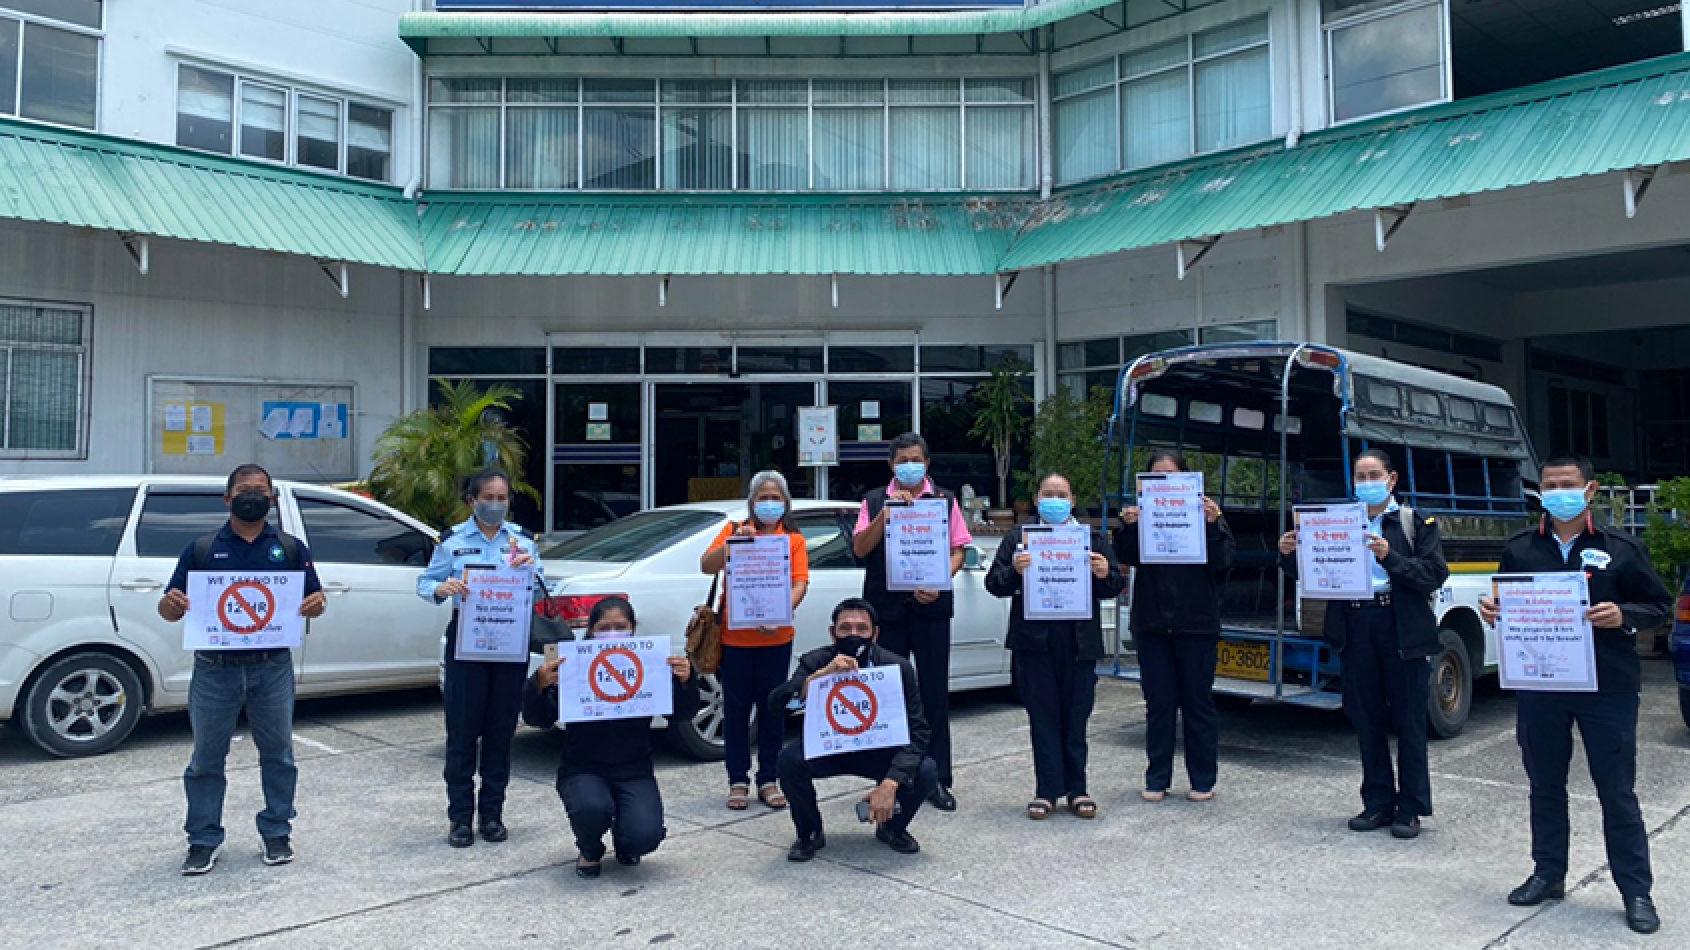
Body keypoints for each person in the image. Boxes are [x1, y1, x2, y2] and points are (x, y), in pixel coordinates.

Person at [1479, 455, 1669, 935]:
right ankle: (1548, 873)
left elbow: (1659, 605)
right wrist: (1494, 610)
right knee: (1544, 785)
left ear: (1589, 490)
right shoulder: (1521, 548)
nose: (1557, 490)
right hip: (1542, 685)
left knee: (1616, 791)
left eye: (1568, 484)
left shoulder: (1621, 547)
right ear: (1539, 491)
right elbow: (1507, 600)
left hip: (1608, 687)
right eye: (1549, 484)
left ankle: (1636, 890)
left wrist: (1622, 614)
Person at [156, 463, 326, 876]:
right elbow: (168, 609)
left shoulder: (290, 548)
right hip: (215, 669)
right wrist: (171, 606)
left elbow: (314, 598)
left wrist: (317, 605)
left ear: (272, 499)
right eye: (244, 489)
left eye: (260, 490)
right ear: (228, 498)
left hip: (272, 668)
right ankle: (203, 839)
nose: (253, 496)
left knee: (279, 754)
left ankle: (276, 832)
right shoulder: (201, 548)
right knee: (206, 759)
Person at [1278, 448, 1447, 839]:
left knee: (1408, 719)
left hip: (1400, 624)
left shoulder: (1414, 521)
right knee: (1366, 717)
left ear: (1392, 480)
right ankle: (1377, 803)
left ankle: (1410, 808)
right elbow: (1312, 572)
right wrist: (1290, 556)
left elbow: (1435, 573)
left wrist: (1390, 558)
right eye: (1360, 476)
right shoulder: (1335, 522)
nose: (1366, 483)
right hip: (1354, 624)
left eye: (1374, 475)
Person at [521, 597, 696, 879]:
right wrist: (538, 686)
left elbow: (682, 714)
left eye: (620, 626)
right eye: (604, 627)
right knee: (591, 808)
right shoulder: (573, 664)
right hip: (583, 766)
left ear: (633, 629)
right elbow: (537, 719)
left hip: (634, 768)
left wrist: (687, 681)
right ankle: (589, 848)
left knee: (645, 836)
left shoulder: (648, 662)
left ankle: (626, 837)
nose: (612, 632)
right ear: (590, 631)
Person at [416, 470, 544, 849]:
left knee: (501, 731)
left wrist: (530, 572)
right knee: (462, 732)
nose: (496, 504)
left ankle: (492, 815)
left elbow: (539, 592)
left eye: (502, 498)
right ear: (471, 501)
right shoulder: (453, 542)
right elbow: (425, 582)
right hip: (468, 642)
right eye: (488, 497)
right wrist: (442, 587)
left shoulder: (522, 541)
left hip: (509, 641)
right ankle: (459, 819)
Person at [986, 473, 1124, 820]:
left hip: (1079, 641)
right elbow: (994, 584)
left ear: (1073, 500)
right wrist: (1015, 572)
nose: (1055, 500)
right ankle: (1047, 791)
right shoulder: (1019, 537)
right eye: (1048, 494)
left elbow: (1114, 587)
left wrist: (1105, 572)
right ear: (1036, 500)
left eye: (1061, 494)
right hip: (1035, 642)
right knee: (1043, 717)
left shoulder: (1090, 538)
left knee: (1076, 717)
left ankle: (1077, 789)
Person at [850, 432, 971, 811]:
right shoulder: (873, 500)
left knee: (933, 694)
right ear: (891, 465)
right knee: (888, 695)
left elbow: (958, 552)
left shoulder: (944, 500)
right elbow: (860, 548)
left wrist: (940, 581)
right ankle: (887, 780)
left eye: (915, 459)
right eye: (901, 460)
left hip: (930, 608)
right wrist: (886, 513)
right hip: (886, 612)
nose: (908, 465)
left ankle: (937, 779)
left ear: (927, 463)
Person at [773, 598, 939, 861]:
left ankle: (892, 828)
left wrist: (890, 783)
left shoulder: (897, 667)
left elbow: (918, 731)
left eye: (861, 629)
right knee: (789, 761)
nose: (853, 635)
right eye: (845, 628)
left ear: (875, 633)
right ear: (832, 633)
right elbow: (779, 705)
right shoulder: (815, 660)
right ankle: (810, 832)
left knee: (927, 770)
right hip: (830, 747)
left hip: (878, 749)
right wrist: (821, 676)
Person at [1112, 451, 1235, 803]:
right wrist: (1128, 527)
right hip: (1152, 624)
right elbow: (1127, 556)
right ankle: (1157, 777)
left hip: (1196, 625)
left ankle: (1202, 778)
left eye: (1171, 475)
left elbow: (1224, 562)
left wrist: (1213, 526)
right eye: (1155, 477)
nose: (1164, 482)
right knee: (1159, 704)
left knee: (1197, 703)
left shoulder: (1208, 514)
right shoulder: (1140, 515)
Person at [699, 470, 811, 812]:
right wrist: (735, 546)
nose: (769, 504)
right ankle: (737, 780)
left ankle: (768, 779)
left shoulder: (792, 540)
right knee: (736, 713)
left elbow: (800, 583)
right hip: (736, 639)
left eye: (776, 498)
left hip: (776, 638)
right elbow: (706, 565)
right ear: (751, 501)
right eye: (763, 497)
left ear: (786, 502)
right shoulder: (734, 531)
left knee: (772, 711)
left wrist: (780, 612)